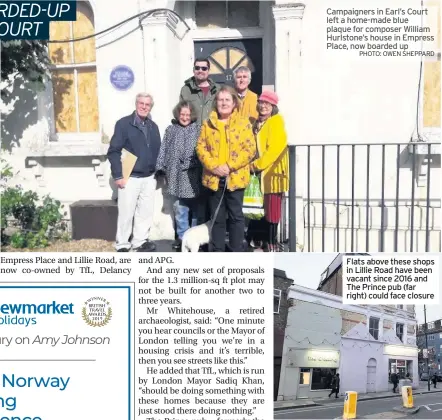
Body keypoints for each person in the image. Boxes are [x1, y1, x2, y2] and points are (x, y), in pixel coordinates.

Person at [196, 85, 256, 252]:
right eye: (220, 100)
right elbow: (201, 148)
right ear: (216, 102)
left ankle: (236, 250)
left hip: (235, 178)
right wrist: (214, 167)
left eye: (227, 100)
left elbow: (250, 149)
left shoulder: (243, 123)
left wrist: (229, 166)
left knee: (236, 217)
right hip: (214, 178)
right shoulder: (208, 123)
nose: (223, 103)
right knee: (217, 219)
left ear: (234, 103)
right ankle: (217, 252)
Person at [107, 93, 161, 252]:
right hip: (129, 177)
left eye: (147, 104)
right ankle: (122, 244)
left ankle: (139, 241)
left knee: (145, 213)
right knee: (126, 213)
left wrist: (158, 173)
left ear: (151, 107)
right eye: (141, 103)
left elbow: (157, 150)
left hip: (149, 177)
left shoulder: (153, 126)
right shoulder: (123, 124)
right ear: (136, 104)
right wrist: (118, 175)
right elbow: (114, 151)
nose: (144, 107)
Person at [156, 101, 202, 251]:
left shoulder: (198, 130)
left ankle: (194, 238)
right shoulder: (170, 130)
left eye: (188, 114)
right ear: (178, 114)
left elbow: (203, 151)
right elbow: (163, 149)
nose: (185, 117)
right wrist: (160, 167)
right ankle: (182, 237)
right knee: (180, 208)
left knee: (195, 209)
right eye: (182, 114)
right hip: (174, 175)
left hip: (192, 175)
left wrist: (193, 162)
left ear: (192, 115)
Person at [250, 91, 289, 252]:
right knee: (260, 208)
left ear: (273, 107)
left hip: (273, 173)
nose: (263, 106)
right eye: (261, 102)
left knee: (272, 210)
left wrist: (257, 165)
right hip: (260, 173)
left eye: (268, 104)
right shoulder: (257, 124)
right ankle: (259, 239)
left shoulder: (276, 122)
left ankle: (271, 243)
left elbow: (274, 150)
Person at [180, 57, 219, 125]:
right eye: (197, 68)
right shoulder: (186, 90)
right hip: (192, 132)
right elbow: (182, 113)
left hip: (212, 132)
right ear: (193, 70)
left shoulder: (217, 89)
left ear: (208, 71)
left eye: (204, 68)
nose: (200, 71)